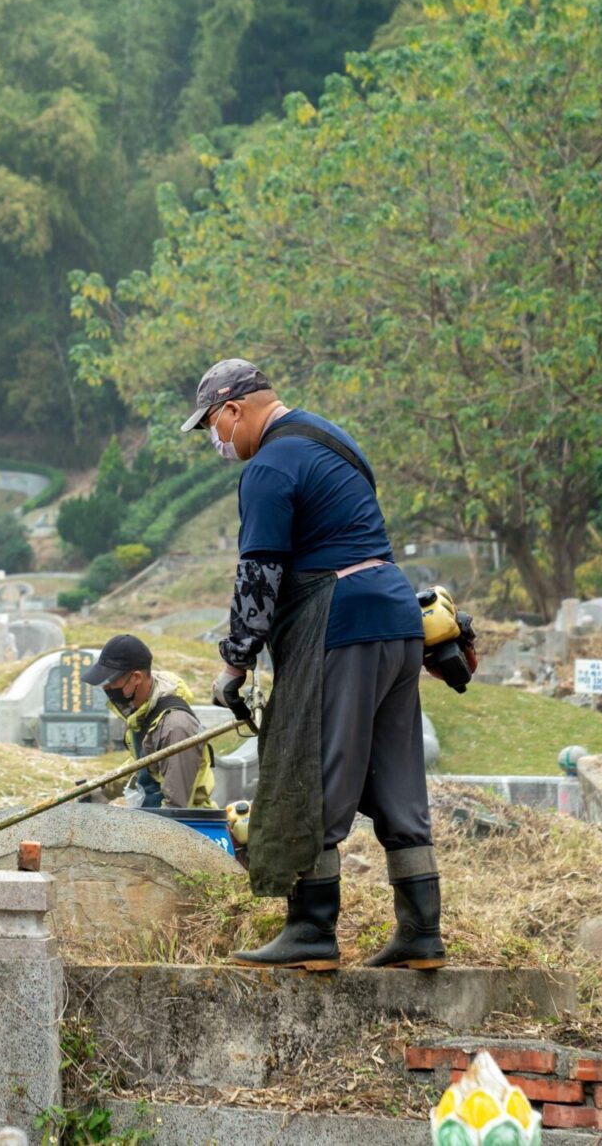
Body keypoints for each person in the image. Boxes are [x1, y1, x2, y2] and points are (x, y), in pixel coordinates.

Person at [183, 357, 443, 971]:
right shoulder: (335, 439)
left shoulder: (270, 464)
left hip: (342, 624)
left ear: (233, 410)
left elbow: (260, 573)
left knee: (311, 771)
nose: (217, 443)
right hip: (398, 621)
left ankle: (311, 930)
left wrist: (236, 664)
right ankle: (421, 932)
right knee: (397, 778)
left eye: (213, 428)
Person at [82, 633, 215, 809]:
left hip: (186, 827)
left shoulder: (176, 728)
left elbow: (176, 807)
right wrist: (101, 792)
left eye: (111, 680)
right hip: (153, 817)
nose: (105, 687)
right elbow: (141, 763)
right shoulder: (143, 712)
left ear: (136, 677)